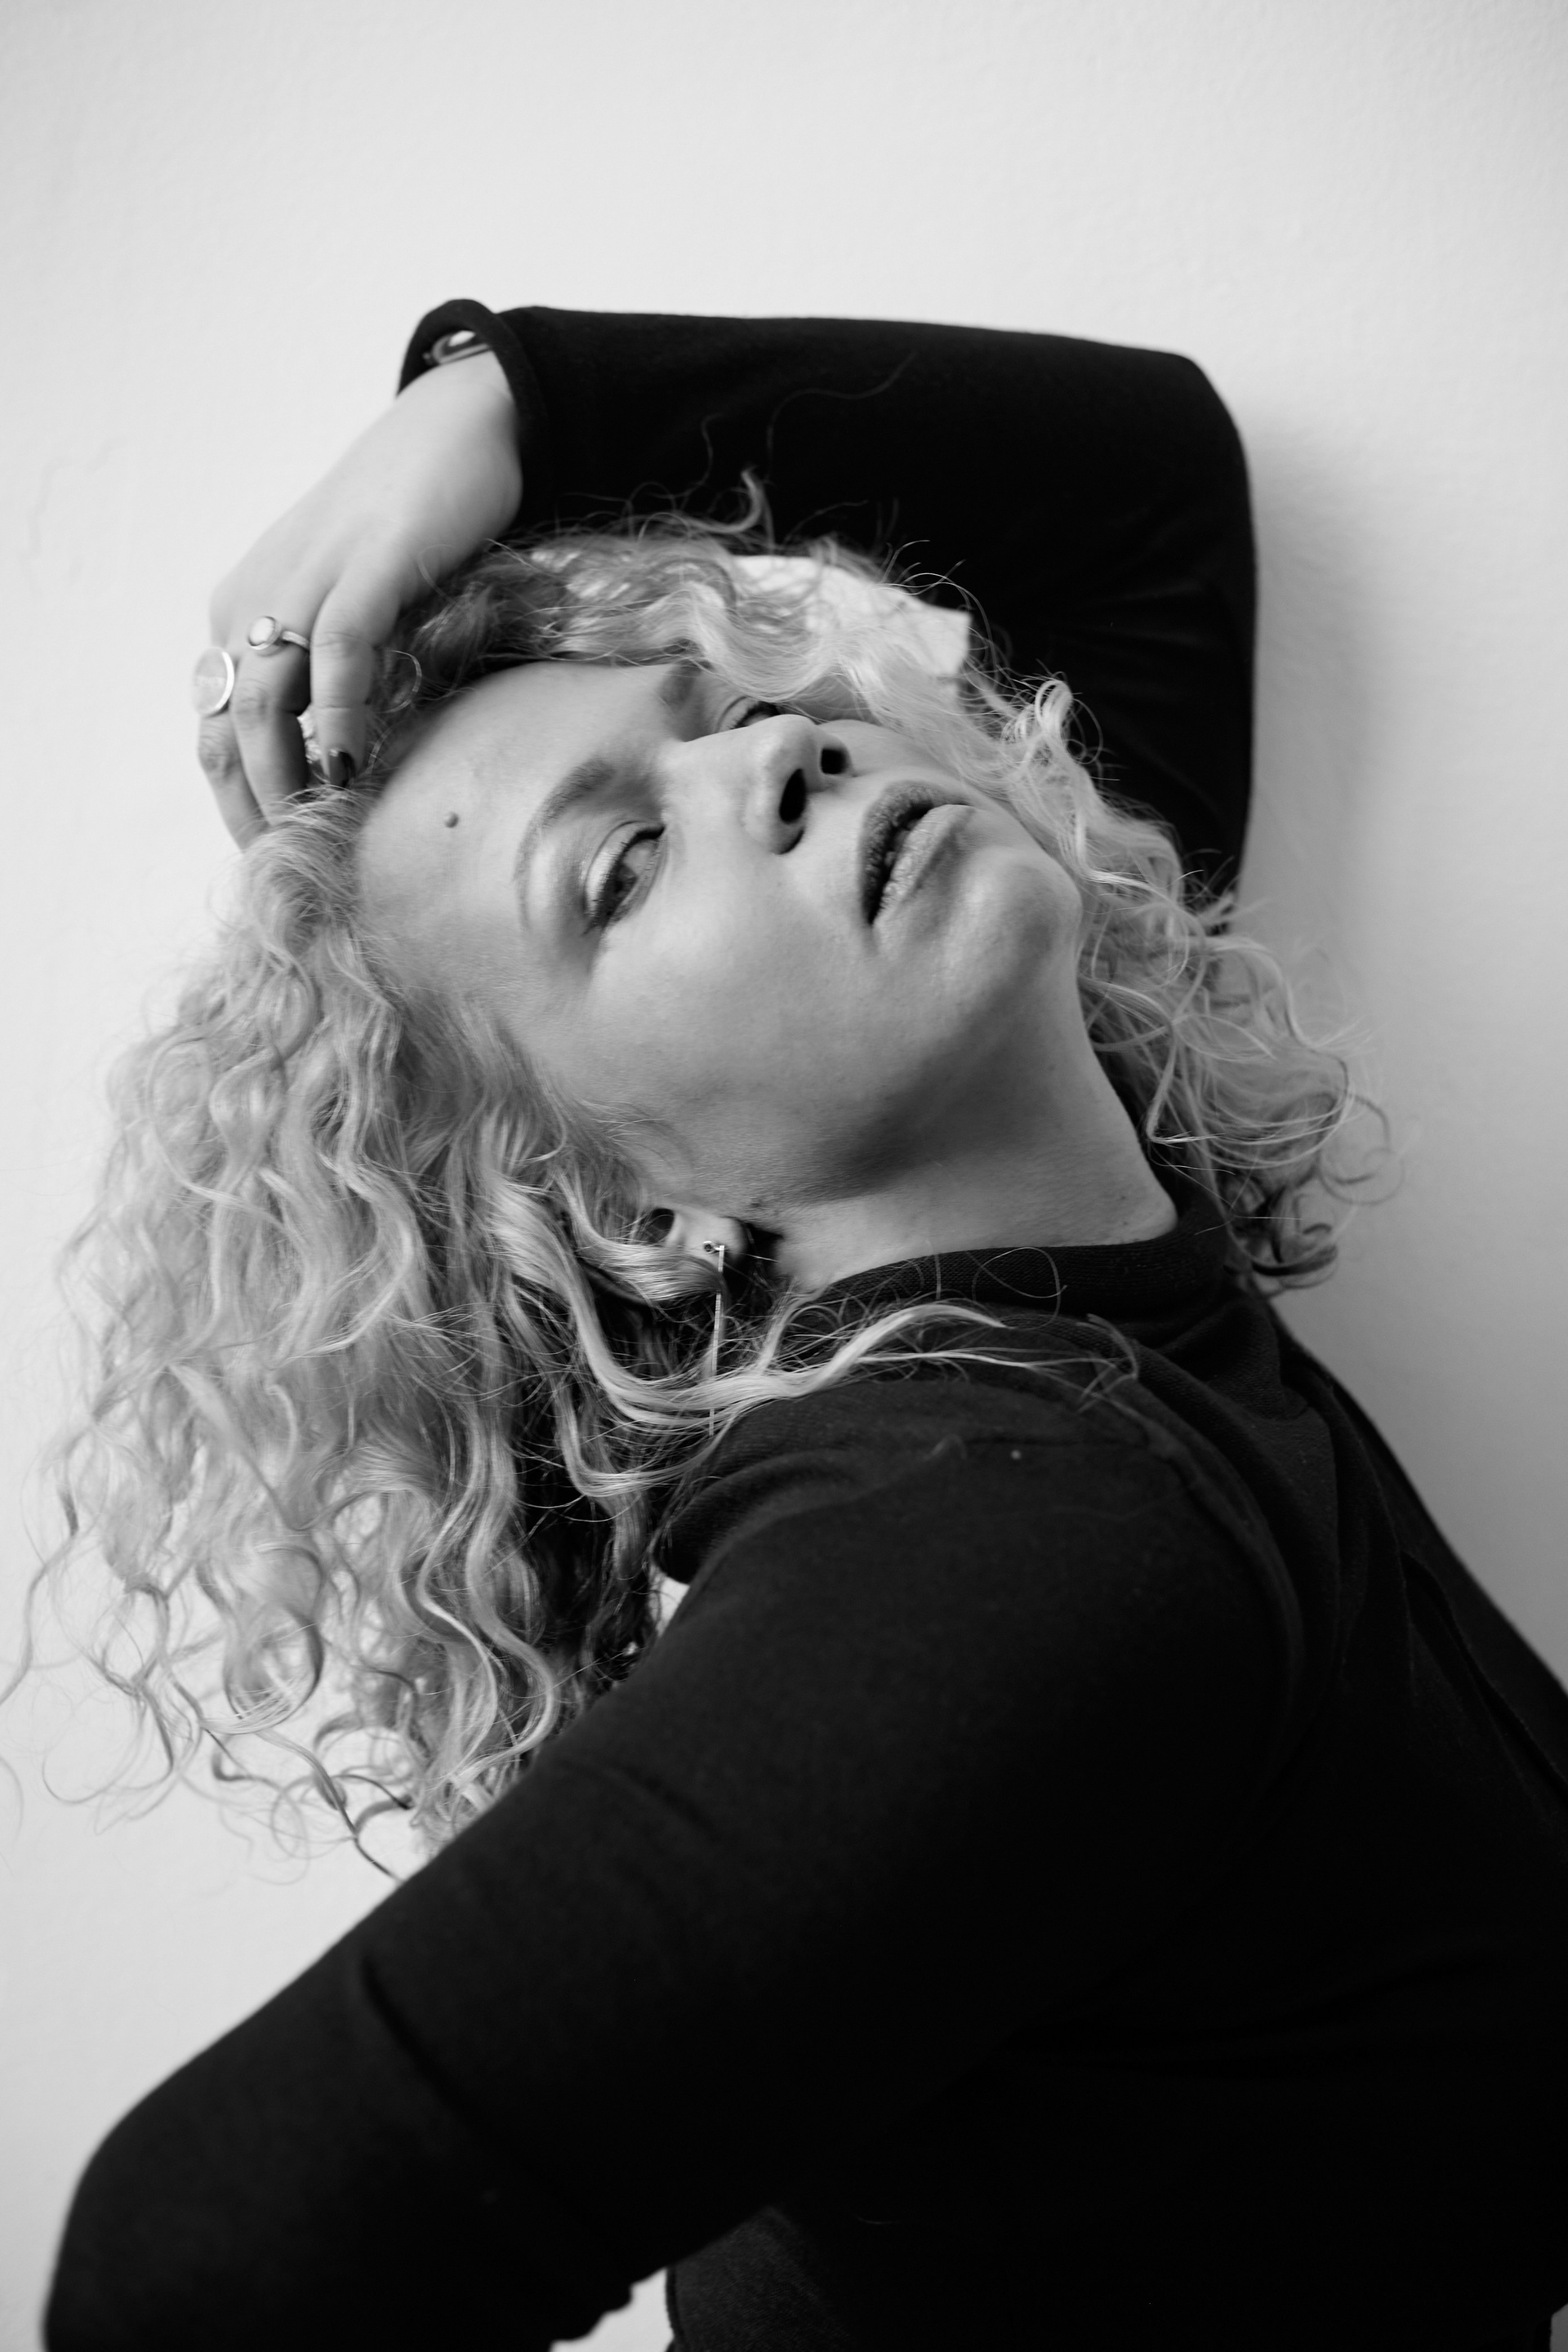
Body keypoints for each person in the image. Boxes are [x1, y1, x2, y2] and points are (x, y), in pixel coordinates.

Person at [35, 305, 1568, 2352]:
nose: (775, 754)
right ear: (626, 1206)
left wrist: (504, 403)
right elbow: (204, 2260)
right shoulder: (1026, 1534)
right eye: (624, 867)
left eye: (723, 708)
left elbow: (1141, 496)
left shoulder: (1079, 1183)